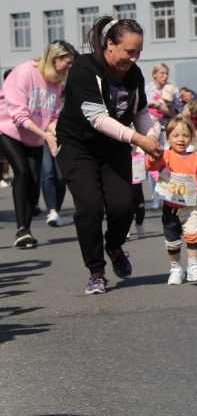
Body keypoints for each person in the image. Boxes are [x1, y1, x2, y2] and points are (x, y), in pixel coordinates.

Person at [55, 16, 163, 294]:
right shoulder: (84, 69)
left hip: (113, 146)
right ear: (110, 45)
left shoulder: (134, 73)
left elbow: (139, 111)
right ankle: (96, 271)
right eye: (129, 51)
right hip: (78, 146)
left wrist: (151, 139)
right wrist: (138, 139)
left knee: (123, 206)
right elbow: (98, 119)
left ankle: (114, 245)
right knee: (90, 208)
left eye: (139, 52)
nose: (134, 57)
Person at [0, 40, 78, 247]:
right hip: (7, 129)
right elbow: (19, 115)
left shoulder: (55, 82)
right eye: (67, 63)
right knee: (22, 172)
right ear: (55, 58)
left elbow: (52, 115)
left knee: (34, 180)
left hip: (33, 135)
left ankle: (26, 230)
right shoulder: (24, 73)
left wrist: (60, 134)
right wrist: (46, 136)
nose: (69, 67)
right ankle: (21, 229)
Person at [148, 117, 197, 284]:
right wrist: (153, 156)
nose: (181, 139)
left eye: (185, 135)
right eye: (175, 135)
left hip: (190, 205)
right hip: (170, 206)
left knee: (192, 234)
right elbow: (152, 167)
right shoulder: (166, 155)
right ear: (168, 138)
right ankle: (176, 268)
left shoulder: (196, 158)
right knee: (172, 240)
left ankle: (193, 266)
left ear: (191, 137)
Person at [128, 144, 147, 240]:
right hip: (126, 186)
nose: (131, 145)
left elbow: (150, 167)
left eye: (132, 142)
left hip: (138, 187)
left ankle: (139, 225)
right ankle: (126, 229)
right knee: (128, 210)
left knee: (140, 209)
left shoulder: (140, 156)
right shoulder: (121, 157)